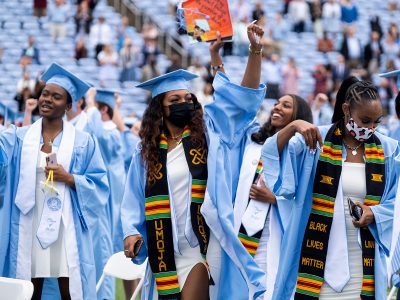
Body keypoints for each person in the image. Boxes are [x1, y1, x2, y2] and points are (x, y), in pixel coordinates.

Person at [121, 24, 267, 299]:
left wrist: (254, 51)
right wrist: (131, 233)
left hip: (201, 249)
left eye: (188, 98)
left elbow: (241, 103)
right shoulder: (147, 152)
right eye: (174, 99)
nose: (183, 103)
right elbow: (132, 201)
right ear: (159, 109)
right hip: (163, 248)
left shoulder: (208, 137)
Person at [262, 76, 399, 300]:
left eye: (377, 122)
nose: (370, 128)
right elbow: (272, 157)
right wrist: (294, 126)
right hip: (317, 261)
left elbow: (396, 202)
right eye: (365, 121)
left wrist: (374, 212)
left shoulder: (389, 150)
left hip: (363, 264)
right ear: (346, 109)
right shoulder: (316, 139)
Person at [0, 63, 109, 299]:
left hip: (64, 225)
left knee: (69, 289)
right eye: (45, 94)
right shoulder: (19, 137)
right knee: (30, 290)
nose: (47, 99)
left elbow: (99, 185)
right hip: (28, 221)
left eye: (56, 96)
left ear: (69, 106)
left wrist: (69, 178)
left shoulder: (84, 142)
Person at [232, 93, 313, 299]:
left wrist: (275, 199)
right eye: (276, 103)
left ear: (299, 116)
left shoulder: (303, 153)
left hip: (275, 232)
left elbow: (307, 197)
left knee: (269, 287)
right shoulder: (253, 145)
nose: (277, 107)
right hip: (242, 227)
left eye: (286, 105)